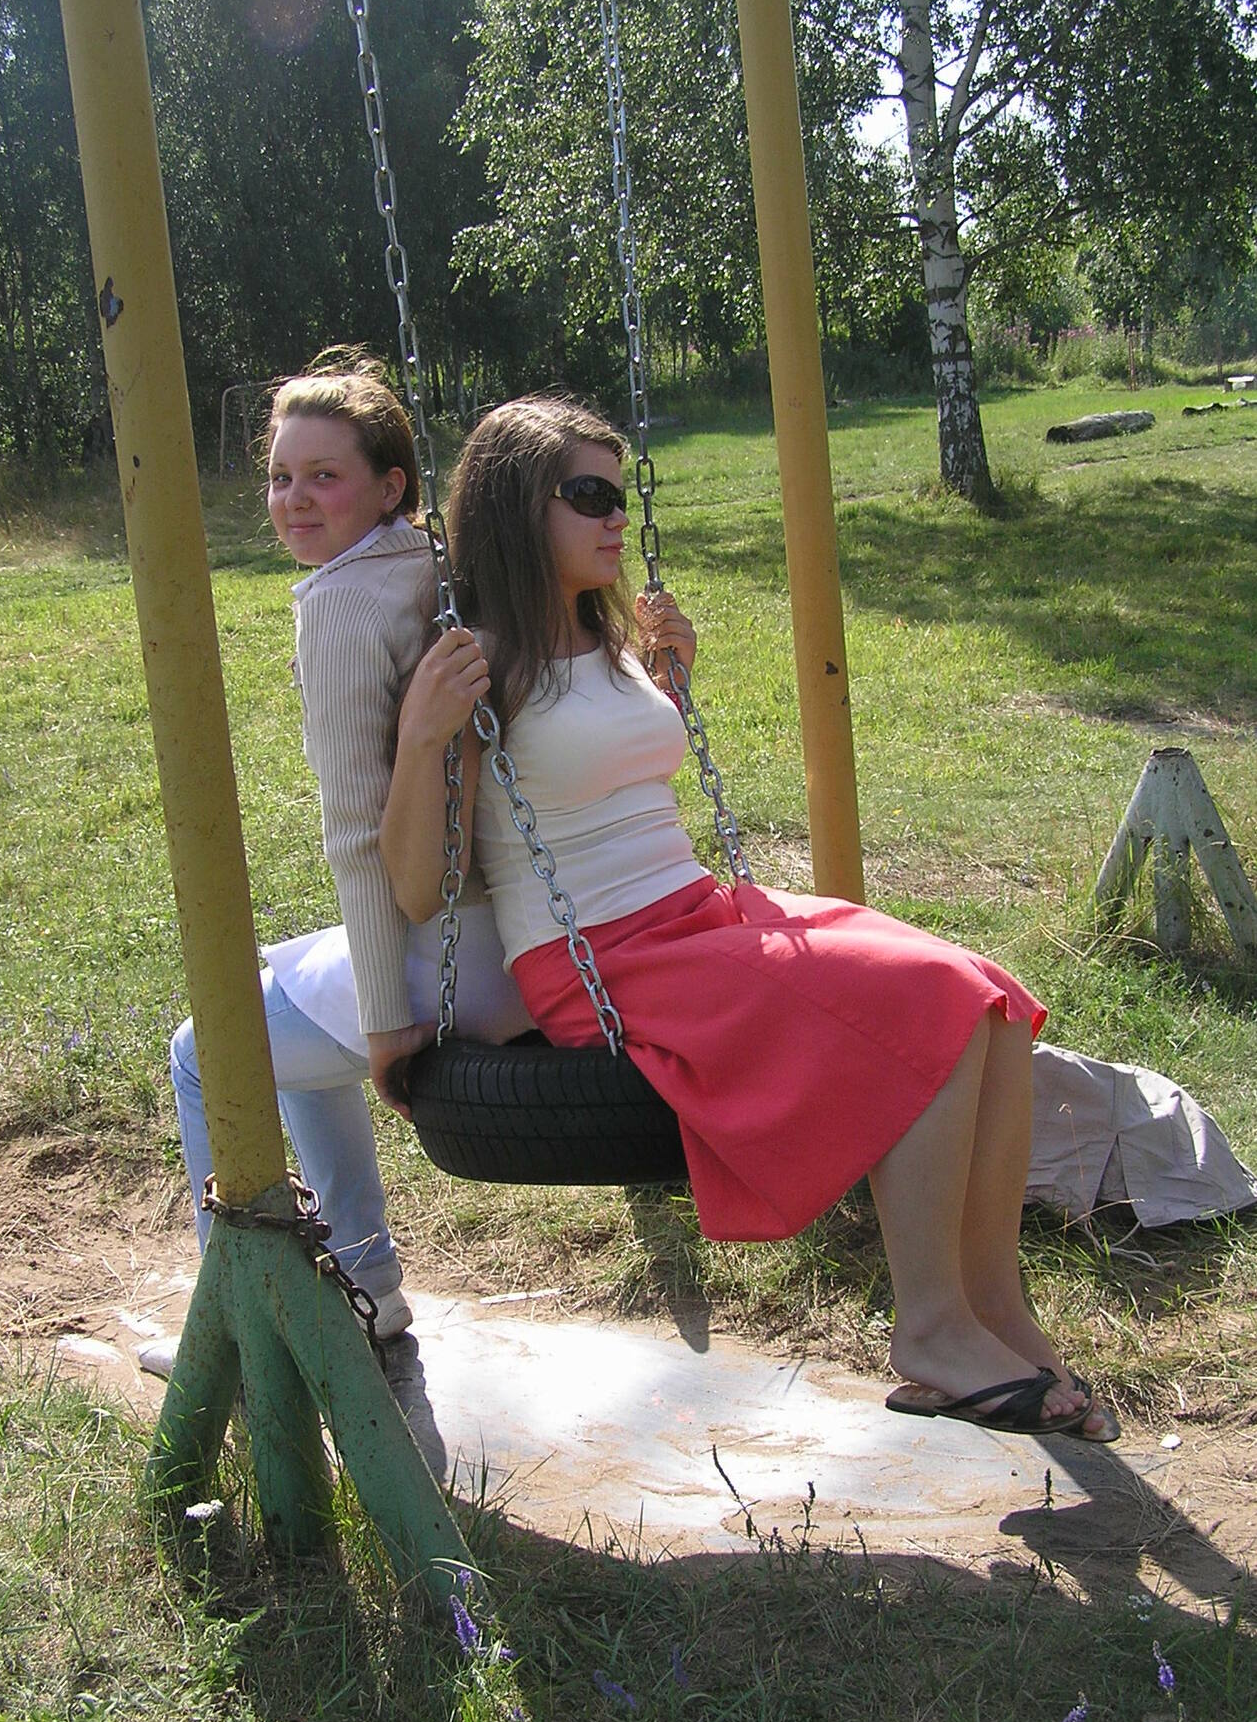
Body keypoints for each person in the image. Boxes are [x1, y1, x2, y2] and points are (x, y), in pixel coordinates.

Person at [379, 395, 1118, 1442]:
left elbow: (608, 775)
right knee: (932, 1001)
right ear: (515, 506)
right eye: (588, 495)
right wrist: (422, 737)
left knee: (989, 996)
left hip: (700, 913)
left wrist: (667, 686)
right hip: (608, 962)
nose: (617, 516)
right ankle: (930, 1329)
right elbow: (420, 888)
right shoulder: (476, 663)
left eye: (619, 495)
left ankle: (998, 1311)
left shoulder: (603, 632)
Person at [151, 354, 527, 1377]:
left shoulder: (343, 606)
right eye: (281, 477)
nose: (295, 500)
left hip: (448, 956)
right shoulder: (430, 563)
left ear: (389, 485)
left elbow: (357, 834)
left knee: (206, 1051)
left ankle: (238, 1332)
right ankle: (365, 1279)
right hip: (513, 930)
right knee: (284, 1000)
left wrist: (385, 1015)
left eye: (325, 476)